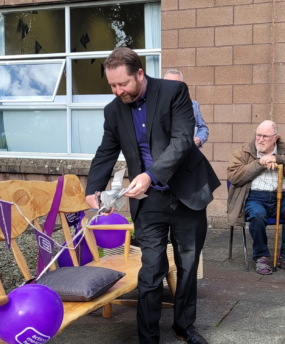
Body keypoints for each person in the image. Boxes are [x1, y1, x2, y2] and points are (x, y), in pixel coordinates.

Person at [85, 47, 220, 344]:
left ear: (140, 74)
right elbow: (106, 151)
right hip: (149, 201)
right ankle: (148, 337)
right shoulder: (113, 110)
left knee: (187, 265)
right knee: (151, 267)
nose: (118, 91)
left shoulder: (175, 92)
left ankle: (184, 326)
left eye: (123, 84)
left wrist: (150, 175)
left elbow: (183, 140)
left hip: (187, 192)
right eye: (112, 85)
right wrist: (93, 188)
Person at [227, 120, 285, 275]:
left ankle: (284, 256)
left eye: (265, 136)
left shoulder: (283, 149)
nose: (260, 139)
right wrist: (260, 163)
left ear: (276, 138)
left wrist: (277, 159)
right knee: (257, 215)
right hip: (255, 197)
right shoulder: (244, 151)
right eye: (258, 135)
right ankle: (261, 256)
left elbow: (280, 158)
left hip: (282, 196)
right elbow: (234, 176)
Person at [164, 69, 209, 148]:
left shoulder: (193, 105)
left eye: (177, 83)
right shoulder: (160, 106)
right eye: (170, 83)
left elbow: (202, 128)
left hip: (189, 153)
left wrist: (199, 138)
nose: (174, 86)